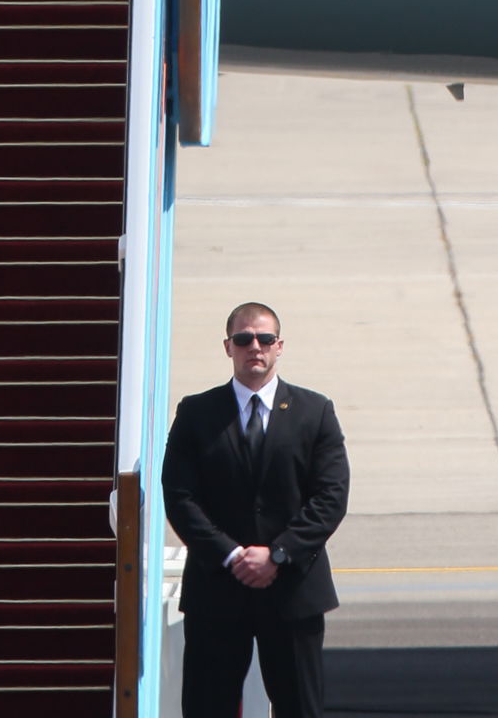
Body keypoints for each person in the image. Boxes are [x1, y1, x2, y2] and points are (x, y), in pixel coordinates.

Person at [161, 302, 350, 718]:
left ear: (279, 346)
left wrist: (278, 554)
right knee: (208, 705)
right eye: (244, 339)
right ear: (228, 347)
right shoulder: (196, 414)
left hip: (293, 590)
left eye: (265, 339)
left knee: (299, 707)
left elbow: (330, 497)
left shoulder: (314, 412)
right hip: (218, 589)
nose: (255, 347)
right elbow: (179, 495)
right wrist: (231, 554)